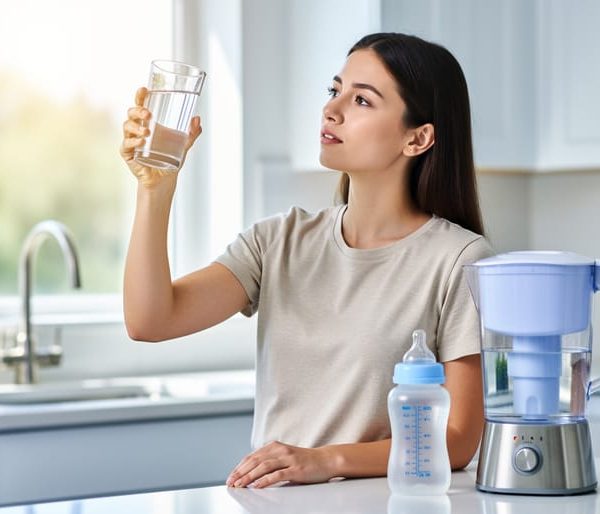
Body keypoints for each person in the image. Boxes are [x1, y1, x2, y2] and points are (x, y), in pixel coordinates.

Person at [120, 32, 493, 489]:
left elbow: (457, 439)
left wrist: (325, 460)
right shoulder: (278, 241)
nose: (331, 109)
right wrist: (155, 189)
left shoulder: (459, 260)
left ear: (417, 138)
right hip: (273, 502)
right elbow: (150, 320)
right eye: (335, 91)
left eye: (362, 100)